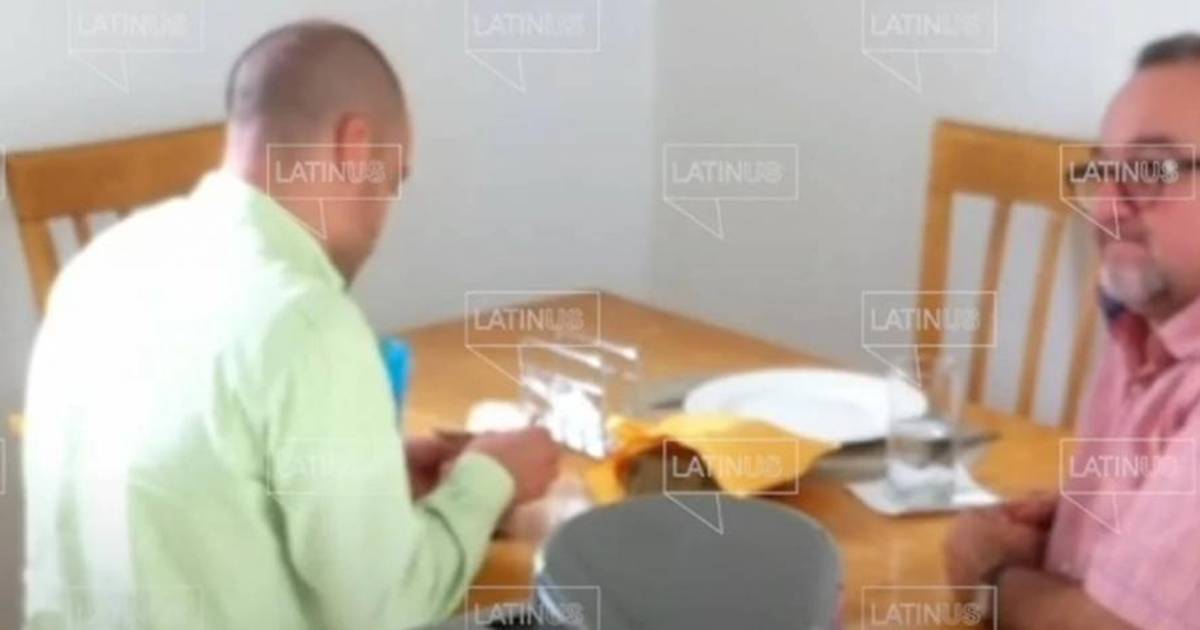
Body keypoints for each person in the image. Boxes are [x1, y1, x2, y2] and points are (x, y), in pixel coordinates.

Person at [23, 21, 560, 630]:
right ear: (354, 146)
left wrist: (367, 474)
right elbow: (389, 610)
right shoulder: (306, 322)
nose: (384, 220)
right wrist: (491, 479)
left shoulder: (99, 268)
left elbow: (197, 491)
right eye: (392, 181)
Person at [944, 33, 1200, 630]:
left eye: (1153, 169)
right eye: (1101, 172)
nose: (1107, 208)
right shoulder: (1138, 314)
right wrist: (1088, 522)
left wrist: (989, 576)